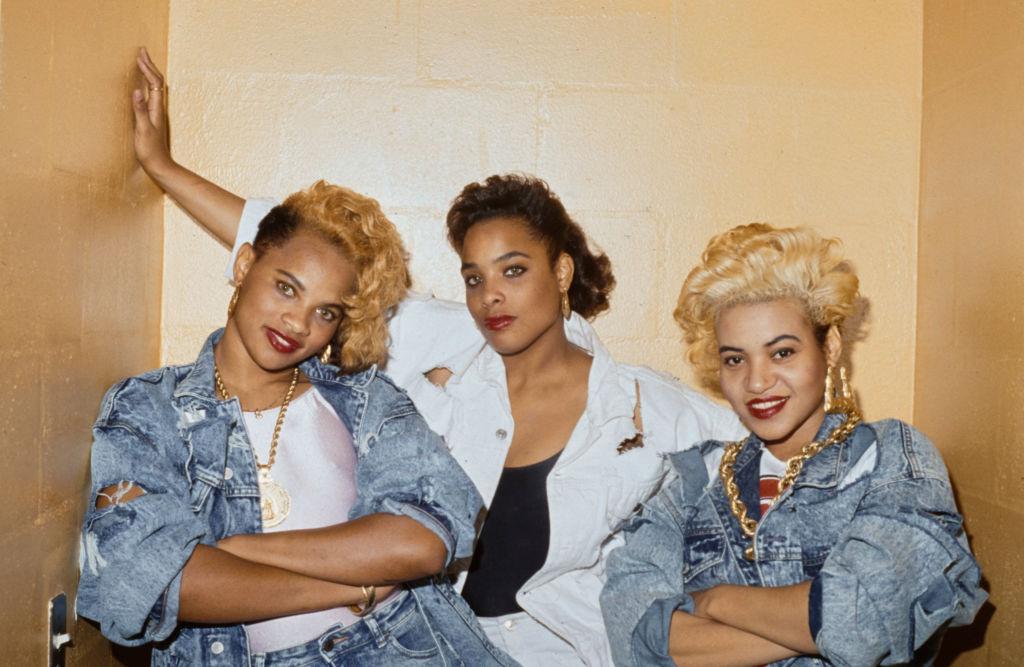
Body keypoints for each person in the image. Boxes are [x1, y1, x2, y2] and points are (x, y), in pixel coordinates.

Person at [128, 48, 745, 666]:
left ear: (561, 271)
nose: (491, 295)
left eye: (514, 270)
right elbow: (304, 254)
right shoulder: (449, 357)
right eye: (473, 277)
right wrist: (162, 167)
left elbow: (768, 436)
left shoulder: (641, 405)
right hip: (436, 644)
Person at [77, 177, 512, 665]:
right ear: (244, 265)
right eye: (286, 288)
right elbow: (150, 583)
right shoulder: (147, 407)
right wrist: (357, 588)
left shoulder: (366, 401)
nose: (298, 323)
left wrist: (232, 548)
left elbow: (423, 541)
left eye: (324, 311)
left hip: (402, 647)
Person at [600, 223, 987, 666]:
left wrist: (714, 601)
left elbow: (859, 620)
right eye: (735, 359)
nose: (758, 381)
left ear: (831, 346)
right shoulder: (692, 479)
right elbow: (636, 637)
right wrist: (828, 626)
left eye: (782, 352)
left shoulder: (891, 456)